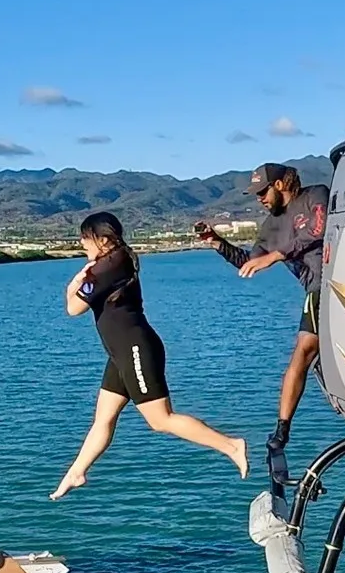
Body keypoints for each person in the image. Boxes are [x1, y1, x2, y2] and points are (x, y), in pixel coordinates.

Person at [53, 211, 248, 499]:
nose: (82, 243)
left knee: (160, 419)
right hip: (121, 354)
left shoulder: (108, 266)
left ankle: (231, 445)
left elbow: (74, 309)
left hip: (135, 349)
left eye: (85, 238)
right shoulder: (111, 262)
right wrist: (78, 284)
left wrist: (72, 286)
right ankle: (76, 472)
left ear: (103, 239)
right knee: (103, 419)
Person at [197, 162, 329, 487]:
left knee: (305, 347)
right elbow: (249, 260)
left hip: (335, 280)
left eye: (262, 192)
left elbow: (319, 229)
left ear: (280, 184)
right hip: (315, 290)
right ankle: (282, 431)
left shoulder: (316, 195)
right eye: (255, 195)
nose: (259, 199)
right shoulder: (270, 227)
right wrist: (217, 243)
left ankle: (284, 428)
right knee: (308, 355)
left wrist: (277, 255)